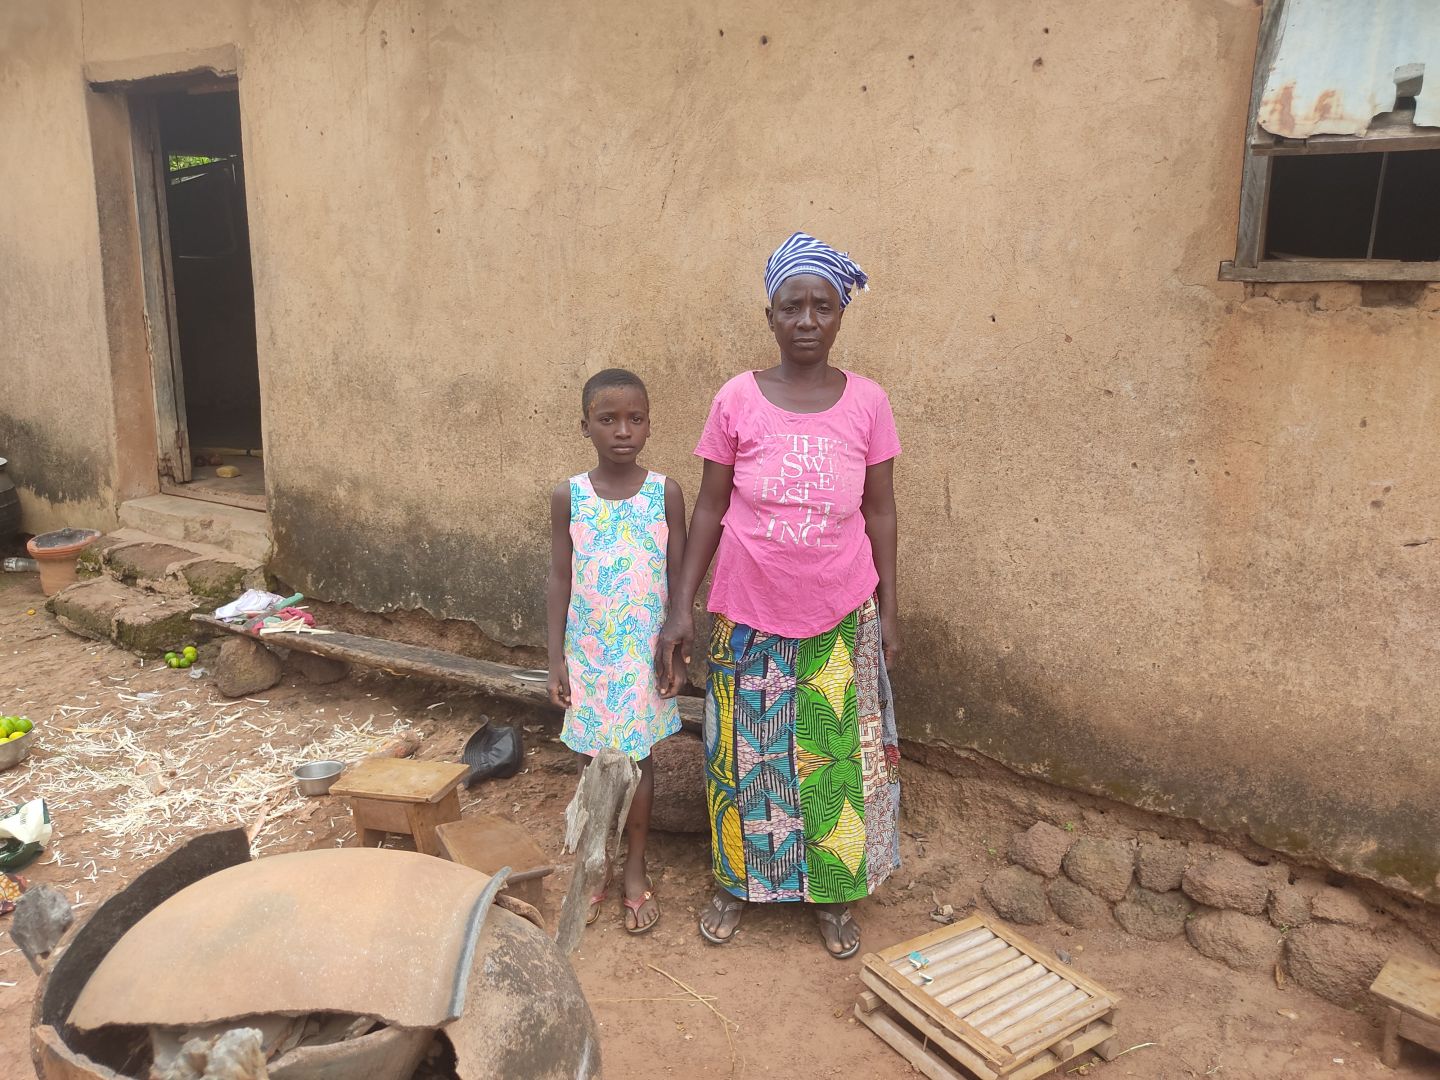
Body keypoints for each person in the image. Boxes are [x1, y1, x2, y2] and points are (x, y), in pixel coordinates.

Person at [659, 232, 901, 959]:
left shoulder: (868, 402)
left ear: (840, 315)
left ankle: (833, 894)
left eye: (822, 306)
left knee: (833, 761)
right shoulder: (736, 398)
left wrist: (891, 610)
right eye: (791, 306)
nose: (806, 320)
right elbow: (709, 506)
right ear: (770, 317)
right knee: (745, 757)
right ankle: (738, 885)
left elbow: (881, 511)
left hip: (840, 609)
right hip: (748, 608)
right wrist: (681, 605)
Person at [548, 368, 687, 935]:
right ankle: (594, 863)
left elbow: (679, 578)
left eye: (635, 419)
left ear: (649, 424)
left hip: (641, 656)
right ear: (586, 427)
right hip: (587, 654)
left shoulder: (665, 493)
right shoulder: (570, 496)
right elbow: (560, 577)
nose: (623, 431)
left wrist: (678, 651)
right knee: (591, 763)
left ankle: (635, 866)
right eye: (608, 419)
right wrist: (554, 658)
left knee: (639, 762)